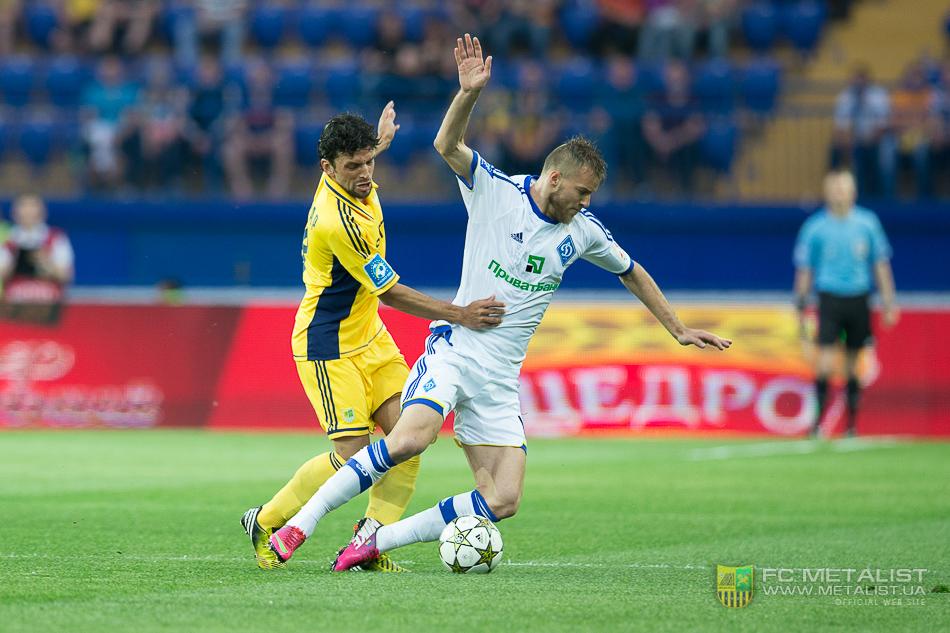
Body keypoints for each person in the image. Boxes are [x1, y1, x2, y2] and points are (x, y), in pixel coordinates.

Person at [266, 34, 731, 571]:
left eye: (590, 199)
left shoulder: (583, 232)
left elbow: (633, 272)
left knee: (503, 498)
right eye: (581, 193)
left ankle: (376, 541)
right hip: (455, 351)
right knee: (409, 439)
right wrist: (467, 94)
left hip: (500, 376)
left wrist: (676, 328)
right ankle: (300, 524)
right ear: (555, 179)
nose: (585, 204)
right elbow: (447, 145)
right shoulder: (495, 190)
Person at [240, 102, 505, 572]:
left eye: (369, 162)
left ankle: (369, 541)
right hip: (328, 346)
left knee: (409, 440)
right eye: (353, 166)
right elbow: (391, 293)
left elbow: (359, 158)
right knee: (354, 457)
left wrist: (379, 142)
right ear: (328, 169)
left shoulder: (352, 176)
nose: (365, 173)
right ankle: (266, 519)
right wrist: (460, 313)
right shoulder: (336, 220)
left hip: (372, 339)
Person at [793, 170, 898, 438]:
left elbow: (880, 264)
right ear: (827, 192)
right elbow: (805, 269)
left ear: (853, 191)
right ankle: (818, 423)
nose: (840, 192)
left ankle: (851, 426)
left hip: (859, 297)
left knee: (854, 364)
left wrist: (889, 301)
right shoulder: (815, 227)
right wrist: (800, 303)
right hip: (829, 297)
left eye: (844, 187)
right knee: (825, 362)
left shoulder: (867, 223)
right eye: (835, 187)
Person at [0, 195, 74, 324]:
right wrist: (17, 260)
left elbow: (66, 276)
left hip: (48, 307)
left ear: (43, 212)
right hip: (16, 307)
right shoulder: (8, 239)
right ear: (14, 212)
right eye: (24, 206)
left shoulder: (56, 238)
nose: (28, 211)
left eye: (33, 206)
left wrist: (45, 261)